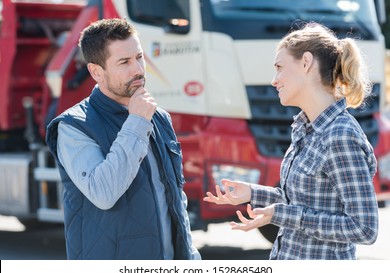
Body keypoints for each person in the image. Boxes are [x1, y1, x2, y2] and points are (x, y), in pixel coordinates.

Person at [204, 22, 379, 260]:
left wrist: (283, 215)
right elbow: (305, 201)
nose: (274, 80)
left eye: (279, 67)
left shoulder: (340, 136)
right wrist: (254, 194)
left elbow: (364, 228)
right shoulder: (305, 128)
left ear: (306, 62)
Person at [46, 18, 200, 260]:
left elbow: (174, 200)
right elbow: (104, 193)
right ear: (97, 72)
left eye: (139, 57)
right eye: (124, 62)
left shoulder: (158, 117)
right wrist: (137, 122)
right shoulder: (73, 126)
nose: (138, 69)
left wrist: (191, 258)